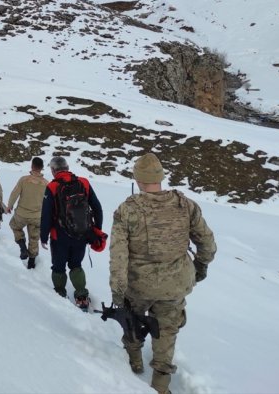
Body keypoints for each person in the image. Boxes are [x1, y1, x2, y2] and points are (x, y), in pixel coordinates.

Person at [110, 153, 216, 394]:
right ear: (160, 177)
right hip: (175, 285)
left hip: (138, 286)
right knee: (167, 331)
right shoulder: (185, 204)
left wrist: (118, 292)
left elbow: (118, 256)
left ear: (137, 179)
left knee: (133, 321)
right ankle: (160, 384)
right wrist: (199, 269)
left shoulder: (127, 210)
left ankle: (134, 360)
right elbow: (207, 243)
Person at [40, 156, 103, 311]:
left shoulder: (52, 187)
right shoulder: (84, 183)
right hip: (81, 233)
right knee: (76, 265)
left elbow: (46, 215)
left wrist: (43, 237)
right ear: (67, 167)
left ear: (53, 170)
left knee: (58, 267)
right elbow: (97, 208)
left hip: (59, 236)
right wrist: (96, 229)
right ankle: (81, 296)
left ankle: (60, 294)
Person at [6, 157, 48, 269]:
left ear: (32, 166)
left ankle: (22, 245)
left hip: (21, 214)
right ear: (42, 168)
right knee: (34, 238)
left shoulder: (24, 180)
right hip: (37, 216)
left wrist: (9, 206)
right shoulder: (46, 184)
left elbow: (15, 193)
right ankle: (31, 262)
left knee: (14, 226)